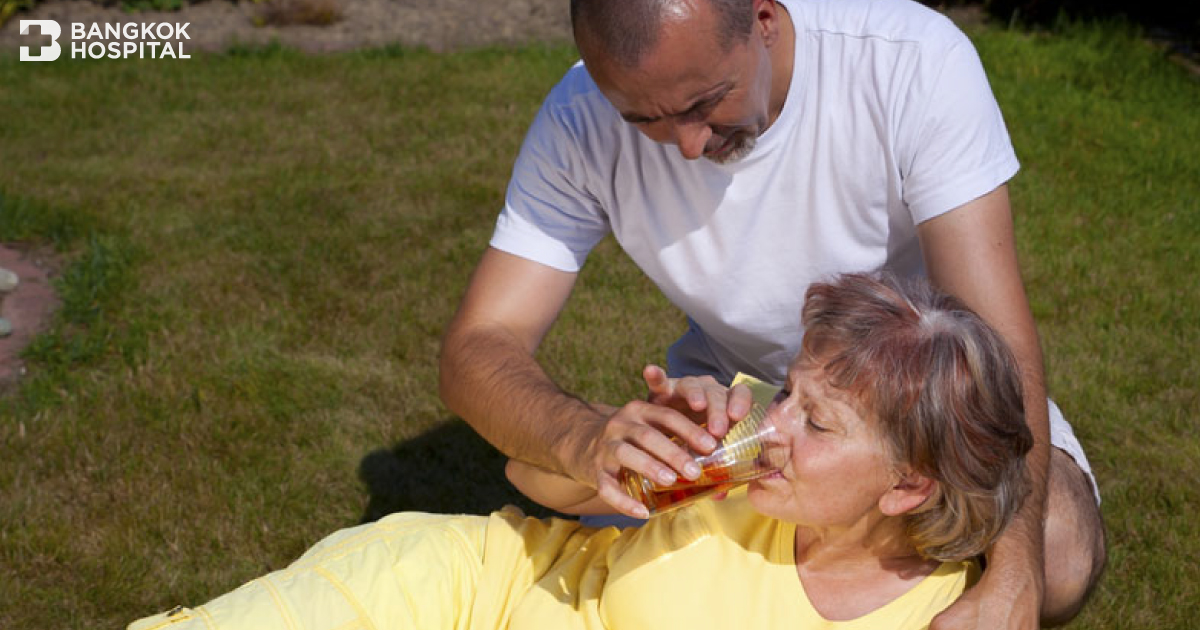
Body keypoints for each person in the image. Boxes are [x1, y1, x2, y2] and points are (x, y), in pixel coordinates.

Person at [438, 0, 1105, 627]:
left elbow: (998, 337)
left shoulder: (908, 61)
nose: (689, 146)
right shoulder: (578, 118)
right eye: (644, 122)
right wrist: (585, 439)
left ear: (762, 17)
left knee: (1056, 556)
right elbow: (480, 343)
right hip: (735, 409)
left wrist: (1016, 572)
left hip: (932, 402)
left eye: (706, 102)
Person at [131, 273, 1033, 630]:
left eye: (820, 422)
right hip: (479, 589)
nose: (779, 423)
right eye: (792, 390)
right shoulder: (734, 442)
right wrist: (615, 448)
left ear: (909, 487)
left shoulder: (942, 619)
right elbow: (532, 485)